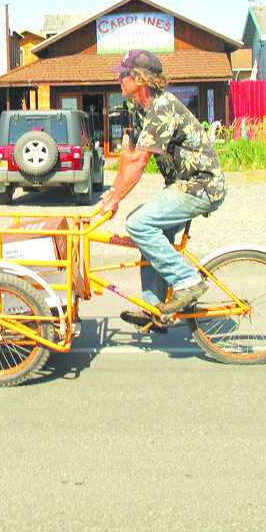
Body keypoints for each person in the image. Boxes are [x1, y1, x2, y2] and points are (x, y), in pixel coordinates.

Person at [100, 49, 227, 327]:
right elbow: (130, 154)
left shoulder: (162, 108)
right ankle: (154, 310)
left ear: (139, 79)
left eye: (124, 74)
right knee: (151, 239)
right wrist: (113, 194)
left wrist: (116, 200)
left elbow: (141, 161)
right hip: (182, 186)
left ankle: (187, 281)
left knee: (139, 223)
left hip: (200, 186)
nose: (119, 79)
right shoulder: (142, 109)